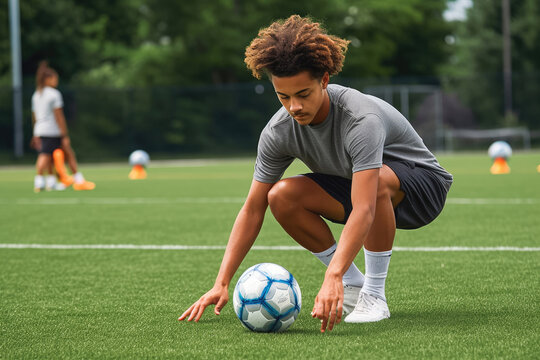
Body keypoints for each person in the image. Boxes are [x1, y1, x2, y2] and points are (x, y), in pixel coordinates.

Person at [179, 15, 452, 332]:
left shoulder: (360, 119)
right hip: (358, 188)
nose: (294, 106)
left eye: (303, 94)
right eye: (283, 96)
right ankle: (353, 286)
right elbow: (253, 208)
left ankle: (374, 296)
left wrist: (330, 274)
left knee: (376, 184)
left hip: (421, 189)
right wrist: (221, 281)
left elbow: (364, 205)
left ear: (324, 80)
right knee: (280, 196)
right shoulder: (278, 132)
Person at [31, 61, 95, 192]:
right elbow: (59, 116)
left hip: (40, 129)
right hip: (52, 130)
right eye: (55, 78)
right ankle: (76, 180)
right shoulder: (54, 94)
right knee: (54, 154)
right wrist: (64, 134)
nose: (56, 81)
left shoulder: (36, 95)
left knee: (49, 157)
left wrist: (35, 132)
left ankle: (51, 181)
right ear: (48, 79)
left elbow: (34, 116)